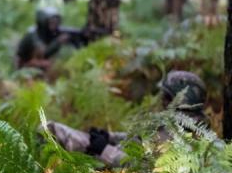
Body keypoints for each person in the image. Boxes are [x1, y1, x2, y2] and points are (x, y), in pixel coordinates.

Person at [45, 70, 210, 167]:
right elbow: (142, 137)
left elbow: (143, 170)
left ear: (178, 100)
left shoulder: (182, 134)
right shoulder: (183, 123)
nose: (162, 101)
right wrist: (110, 137)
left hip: (121, 170)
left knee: (53, 132)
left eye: (166, 97)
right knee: (54, 130)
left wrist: (105, 150)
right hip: (120, 153)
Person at [15, 7, 87, 70]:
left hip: (39, 64)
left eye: (56, 22)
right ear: (43, 22)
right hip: (26, 65)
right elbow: (44, 54)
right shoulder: (33, 35)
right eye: (51, 23)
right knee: (50, 65)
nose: (55, 25)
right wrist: (58, 42)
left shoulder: (51, 33)